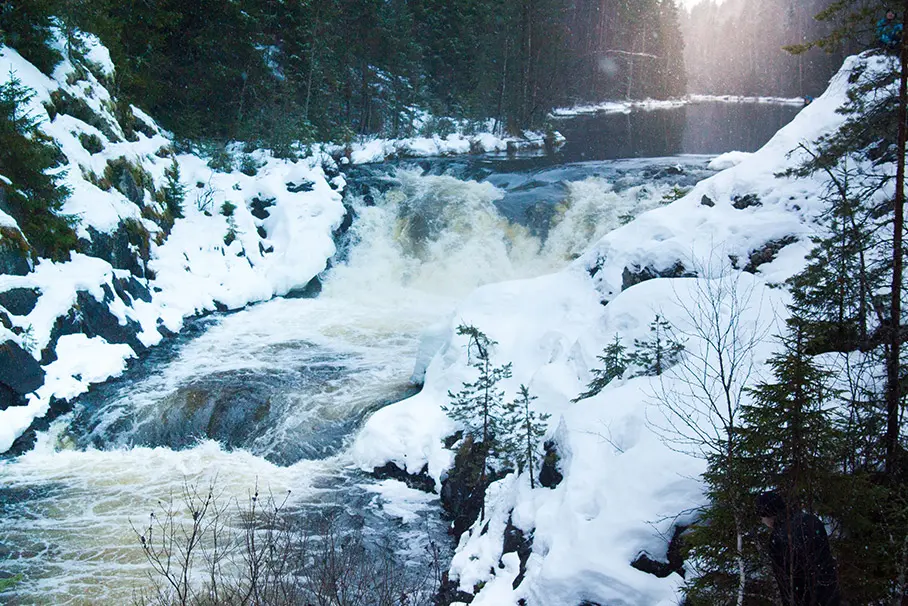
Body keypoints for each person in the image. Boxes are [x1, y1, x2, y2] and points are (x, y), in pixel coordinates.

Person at [756, 491, 842, 606]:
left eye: (762, 517)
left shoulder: (778, 538)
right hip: (829, 593)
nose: (762, 521)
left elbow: (785, 580)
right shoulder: (811, 520)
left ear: (768, 513)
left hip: (804, 598)